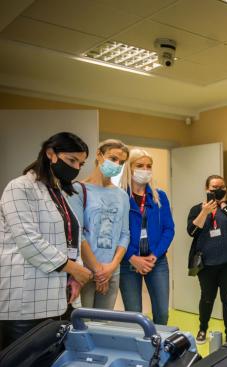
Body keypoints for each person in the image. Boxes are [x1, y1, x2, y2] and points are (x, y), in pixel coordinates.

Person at [0, 132, 93, 349]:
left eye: (80, 163)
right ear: (51, 154)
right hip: (24, 299)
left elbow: (70, 238)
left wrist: (74, 276)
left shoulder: (59, 192)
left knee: (54, 363)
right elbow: (29, 240)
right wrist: (75, 269)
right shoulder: (20, 187)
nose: (76, 168)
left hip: (59, 296)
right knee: (21, 366)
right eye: (71, 160)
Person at [187, 175, 227, 344]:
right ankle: (202, 328)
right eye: (214, 188)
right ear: (207, 189)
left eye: (222, 187)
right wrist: (205, 211)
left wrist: (223, 205)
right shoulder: (196, 209)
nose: (218, 190)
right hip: (206, 264)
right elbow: (191, 231)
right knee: (207, 298)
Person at [118, 149, 174, 325]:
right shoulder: (120, 196)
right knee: (134, 316)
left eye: (149, 166)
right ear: (129, 168)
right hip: (128, 262)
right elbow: (116, 233)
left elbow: (169, 229)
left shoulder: (159, 196)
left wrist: (154, 255)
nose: (145, 170)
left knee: (162, 314)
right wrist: (132, 257)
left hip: (156, 261)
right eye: (140, 165)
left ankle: (158, 342)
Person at [78, 139, 130, 310]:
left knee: (104, 322)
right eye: (113, 158)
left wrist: (111, 267)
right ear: (99, 155)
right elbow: (78, 234)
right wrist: (97, 269)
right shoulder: (79, 190)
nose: (117, 165)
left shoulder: (122, 196)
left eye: (121, 162)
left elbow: (124, 234)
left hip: (112, 271)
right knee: (82, 322)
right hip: (84, 271)